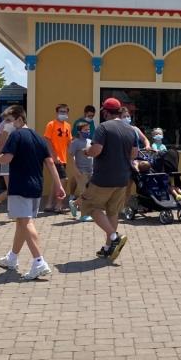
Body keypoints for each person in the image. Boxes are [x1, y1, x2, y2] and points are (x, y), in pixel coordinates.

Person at [0, 105, 66, 280]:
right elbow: (49, 163)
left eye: (9, 121)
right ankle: (12, 258)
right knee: (22, 222)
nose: (7, 125)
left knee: (25, 223)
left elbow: (6, 158)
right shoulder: (39, 138)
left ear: (20, 119)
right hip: (36, 187)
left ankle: (39, 262)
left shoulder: (15, 136)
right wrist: (59, 186)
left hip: (20, 186)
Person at [81, 97, 138, 260]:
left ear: (105, 112)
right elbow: (134, 154)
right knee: (112, 212)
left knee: (89, 205)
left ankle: (114, 238)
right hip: (122, 178)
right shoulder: (130, 130)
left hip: (103, 178)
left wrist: (86, 151)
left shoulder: (103, 128)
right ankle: (108, 248)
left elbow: (96, 150)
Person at [120, 106, 151, 216]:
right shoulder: (119, 130)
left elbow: (144, 139)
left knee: (131, 184)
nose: (127, 118)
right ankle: (120, 206)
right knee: (125, 185)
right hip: (123, 160)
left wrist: (147, 146)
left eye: (128, 116)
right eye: (124, 116)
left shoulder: (135, 129)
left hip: (135, 160)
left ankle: (125, 205)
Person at [43, 104, 72, 213]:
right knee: (64, 180)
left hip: (63, 158)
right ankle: (59, 205)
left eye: (65, 112)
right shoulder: (51, 124)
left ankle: (49, 204)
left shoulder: (68, 126)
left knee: (56, 182)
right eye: (61, 111)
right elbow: (47, 140)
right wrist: (54, 156)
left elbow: (69, 142)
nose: (63, 114)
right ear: (57, 112)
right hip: (54, 158)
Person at [67, 120, 93, 221]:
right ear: (79, 131)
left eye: (88, 130)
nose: (87, 131)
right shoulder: (75, 143)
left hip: (90, 170)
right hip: (81, 170)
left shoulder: (90, 142)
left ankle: (74, 203)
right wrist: (75, 168)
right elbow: (71, 156)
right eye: (85, 130)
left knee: (89, 193)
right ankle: (83, 215)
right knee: (84, 193)